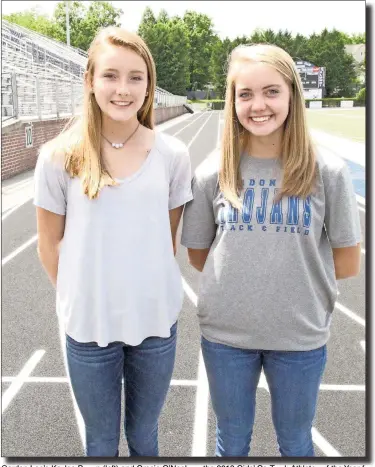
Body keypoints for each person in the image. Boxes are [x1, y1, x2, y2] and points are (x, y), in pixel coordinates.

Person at [181, 44, 361, 457]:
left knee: (296, 442)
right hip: (226, 336)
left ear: (292, 95)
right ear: (232, 101)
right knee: (232, 440)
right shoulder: (213, 172)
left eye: (270, 92)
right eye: (245, 94)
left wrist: (289, 284)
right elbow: (198, 253)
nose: (257, 105)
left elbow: (347, 260)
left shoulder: (326, 171)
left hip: (299, 336)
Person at [34, 26, 193, 457]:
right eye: (110, 76)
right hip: (88, 330)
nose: (123, 89)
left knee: (145, 437)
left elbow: (167, 239)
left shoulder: (173, 155)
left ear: (148, 84)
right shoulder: (57, 156)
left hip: (155, 327)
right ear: (89, 80)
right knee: (101, 443)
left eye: (135, 77)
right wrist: (84, 294)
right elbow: (49, 244)